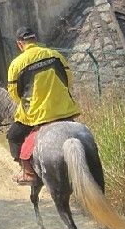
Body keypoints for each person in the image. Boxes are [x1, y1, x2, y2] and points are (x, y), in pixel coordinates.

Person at [6, 26, 80, 185]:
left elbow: (14, 93)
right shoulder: (55, 55)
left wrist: (28, 106)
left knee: (13, 136)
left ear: (20, 44)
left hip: (37, 116)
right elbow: (69, 80)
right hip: (65, 110)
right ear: (35, 39)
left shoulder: (16, 64)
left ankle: (29, 173)